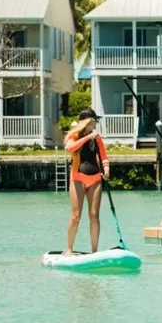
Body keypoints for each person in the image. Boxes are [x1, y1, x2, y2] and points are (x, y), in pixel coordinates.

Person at [63, 108, 109, 255]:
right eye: (94, 121)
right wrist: (86, 138)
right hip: (77, 178)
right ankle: (69, 248)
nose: (96, 124)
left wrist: (107, 169)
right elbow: (70, 148)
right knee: (76, 216)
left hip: (95, 179)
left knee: (94, 215)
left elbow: (103, 156)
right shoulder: (74, 135)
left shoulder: (97, 138)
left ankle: (94, 251)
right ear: (87, 122)